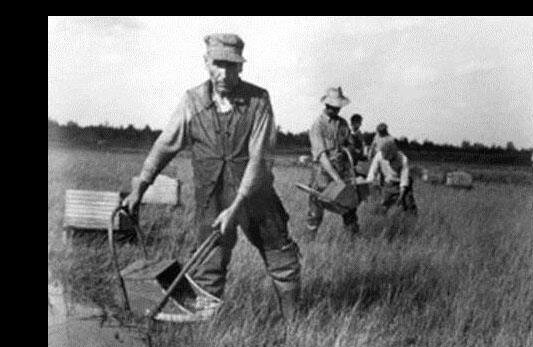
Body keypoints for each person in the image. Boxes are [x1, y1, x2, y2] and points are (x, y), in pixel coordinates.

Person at [122, 33, 301, 323]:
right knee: (208, 267)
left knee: (283, 260)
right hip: (212, 200)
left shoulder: (259, 101)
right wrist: (140, 188)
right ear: (206, 63)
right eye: (218, 64)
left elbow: (260, 157)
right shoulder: (192, 101)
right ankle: (206, 329)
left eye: (232, 66)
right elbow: (165, 145)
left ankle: (294, 329)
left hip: (257, 199)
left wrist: (238, 204)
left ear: (241, 68)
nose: (225, 73)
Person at [306, 87, 360, 239]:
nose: (337, 110)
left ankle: (354, 243)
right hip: (322, 174)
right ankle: (310, 243)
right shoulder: (318, 126)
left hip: (342, 170)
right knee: (316, 211)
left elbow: (350, 145)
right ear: (327, 105)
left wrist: (348, 150)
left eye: (339, 107)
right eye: (334, 107)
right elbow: (322, 157)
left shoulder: (342, 124)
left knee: (349, 207)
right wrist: (336, 179)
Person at [366, 139, 418, 216]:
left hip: (402, 183)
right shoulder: (379, 156)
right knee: (385, 205)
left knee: (408, 203)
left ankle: (412, 220)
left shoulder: (403, 159)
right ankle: (383, 220)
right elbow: (372, 172)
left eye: (390, 159)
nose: (389, 161)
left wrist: (401, 196)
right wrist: (368, 184)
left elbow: (404, 179)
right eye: (386, 158)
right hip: (388, 184)